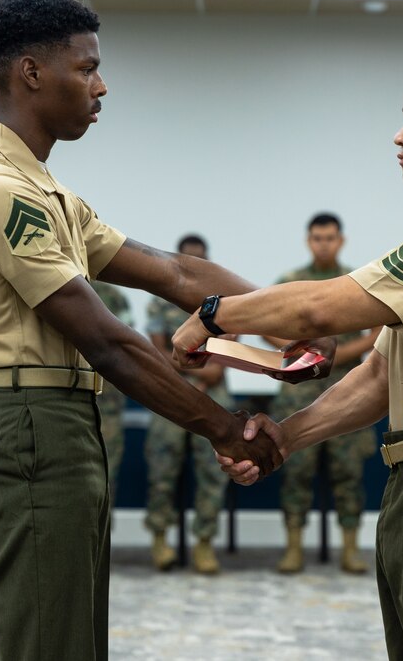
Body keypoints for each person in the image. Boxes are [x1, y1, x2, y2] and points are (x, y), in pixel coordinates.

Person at [0, 0, 299, 661]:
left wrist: (290, 316)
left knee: (71, 638)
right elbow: (109, 342)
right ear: (31, 73)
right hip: (27, 426)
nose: (101, 86)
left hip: (58, 425)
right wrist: (226, 429)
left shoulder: (47, 192)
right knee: (47, 642)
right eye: (86, 68)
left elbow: (173, 272)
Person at [177, 53, 403, 659]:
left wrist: (214, 315)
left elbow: (318, 311)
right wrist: (285, 438)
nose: (400, 135)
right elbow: (381, 373)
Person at [268, 214, 380, 574]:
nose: (324, 244)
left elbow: (379, 332)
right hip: (298, 392)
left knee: (348, 473)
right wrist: (302, 355)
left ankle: (350, 548)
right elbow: (263, 324)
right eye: (317, 238)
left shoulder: (355, 282)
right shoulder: (291, 283)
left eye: (330, 238)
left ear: (341, 240)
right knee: (295, 470)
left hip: (349, 389)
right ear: (308, 241)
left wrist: (335, 357)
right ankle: (293, 547)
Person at [144, 234, 233, 575]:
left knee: (216, 468)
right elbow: (158, 352)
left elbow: (232, 343)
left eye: (201, 259)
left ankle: (205, 543)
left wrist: (211, 371)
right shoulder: (159, 301)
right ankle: (160, 540)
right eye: (188, 259)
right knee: (162, 468)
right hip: (171, 390)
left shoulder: (226, 301)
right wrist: (191, 370)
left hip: (214, 391)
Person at [90, 280, 132, 500]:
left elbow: (127, 339)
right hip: (64, 393)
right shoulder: (55, 286)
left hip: (107, 402)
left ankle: (102, 533)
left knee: (107, 469)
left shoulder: (113, 296)